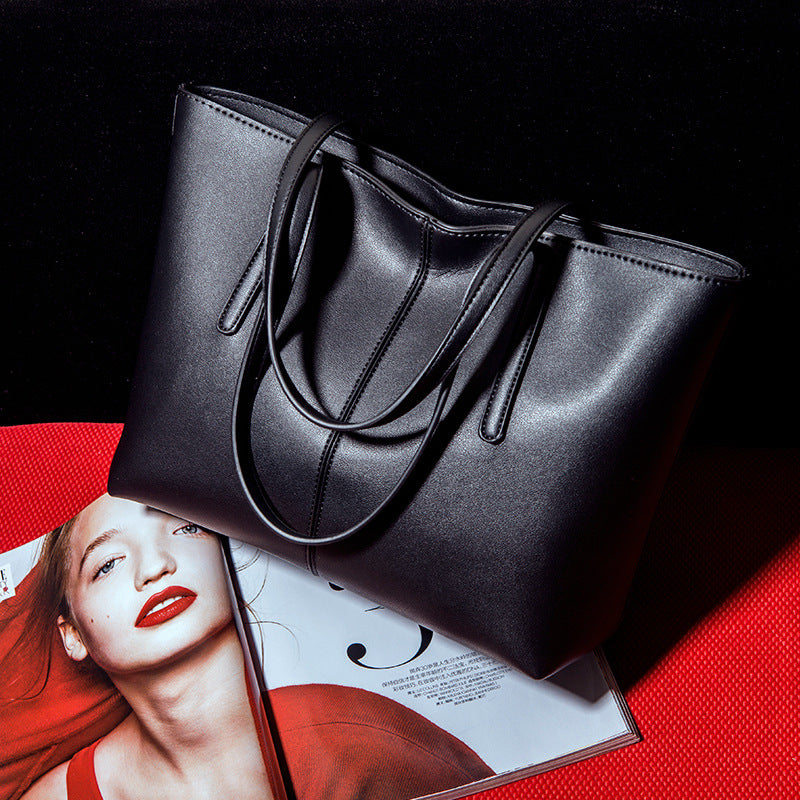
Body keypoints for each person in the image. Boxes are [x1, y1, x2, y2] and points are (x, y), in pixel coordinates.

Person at [20, 494, 276, 800]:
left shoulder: (330, 723)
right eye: (108, 565)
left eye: (187, 528)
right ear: (73, 634)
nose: (154, 567)